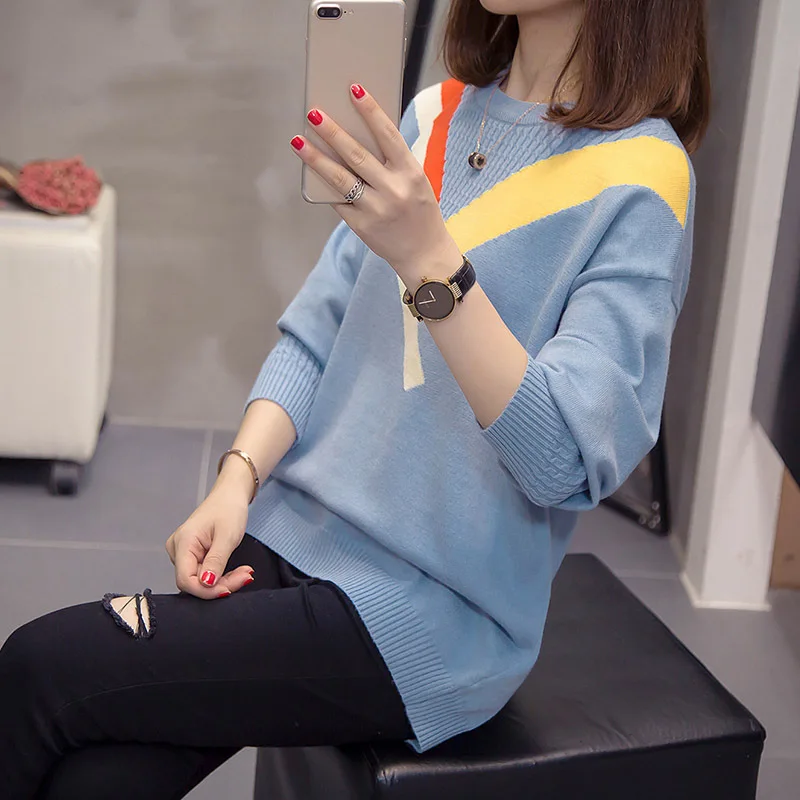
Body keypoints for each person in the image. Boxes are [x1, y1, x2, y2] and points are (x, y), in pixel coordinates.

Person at [0, 0, 710, 796]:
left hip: (431, 613)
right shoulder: (432, 115)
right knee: (96, 778)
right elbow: (319, 330)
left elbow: (564, 461)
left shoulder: (642, 174)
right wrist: (236, 481)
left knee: (39, 664)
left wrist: (431, 262)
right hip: (293, 534)